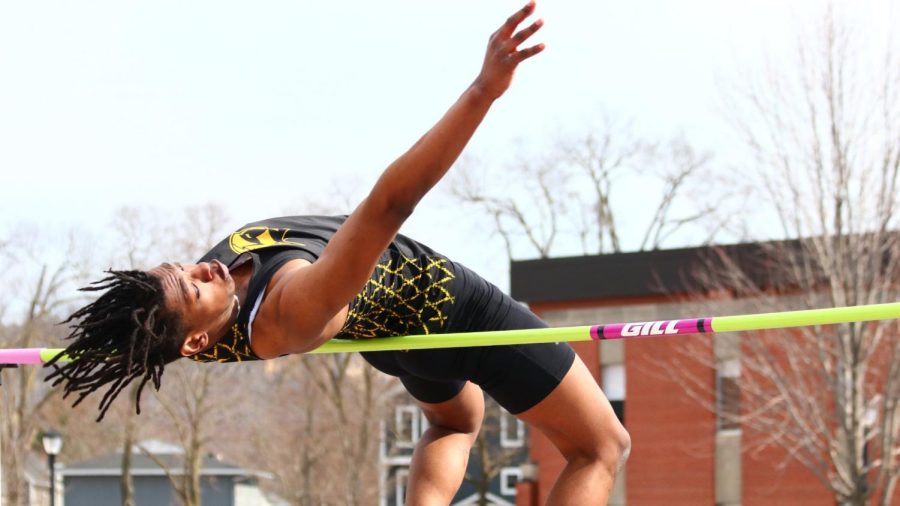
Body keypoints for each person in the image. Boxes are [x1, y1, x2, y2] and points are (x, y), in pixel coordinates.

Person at [49, 2, 630, 504]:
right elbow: (389, 204)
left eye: (178, 268)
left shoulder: (183, 319)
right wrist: (482, 91)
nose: (202, 268)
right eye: (195, 286)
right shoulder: (289, 310)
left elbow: (145, 333)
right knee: (601, 446)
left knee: (456, 423)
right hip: (451, 310)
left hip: (394, 343)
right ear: (198, 341)